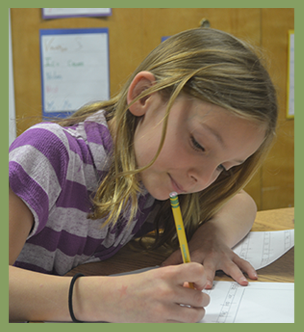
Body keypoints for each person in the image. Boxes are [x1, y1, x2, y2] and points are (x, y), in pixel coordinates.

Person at [9, 27, 278, 323]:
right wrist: (104, 298)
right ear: (143, 96)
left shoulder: (155, 176)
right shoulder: (50, 153)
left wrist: (213, 237)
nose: (202, 179)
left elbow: (240, 202)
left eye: (224, 167)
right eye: (198, 144)